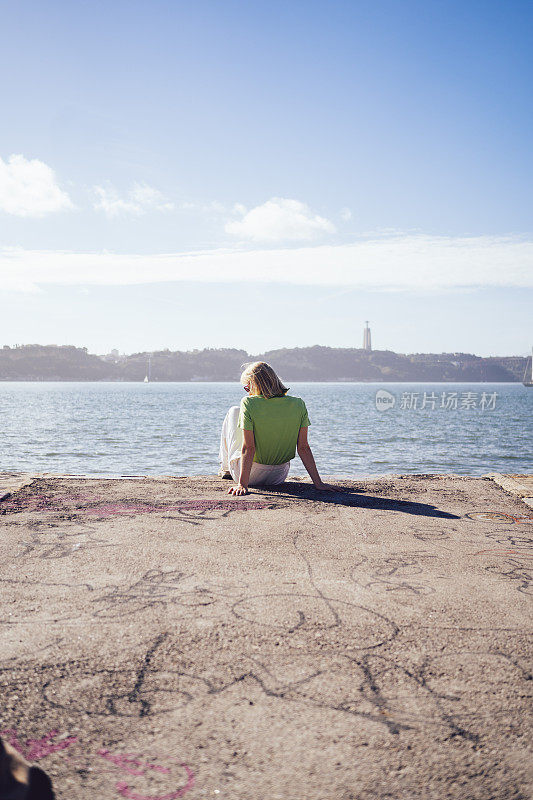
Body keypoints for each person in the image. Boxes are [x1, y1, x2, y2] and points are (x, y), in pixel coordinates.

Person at [218, 361, 336, 496]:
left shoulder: (248, 403)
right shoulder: (298, 404)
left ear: (255, 384)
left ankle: (226, 469)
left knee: (234, 411)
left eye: (248, 388)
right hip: (279, 476)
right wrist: (319, 484)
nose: (248, 392)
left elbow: (249, 448)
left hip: (250, 476)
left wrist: (242, 484)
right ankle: (228, 469)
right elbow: (303, 448)